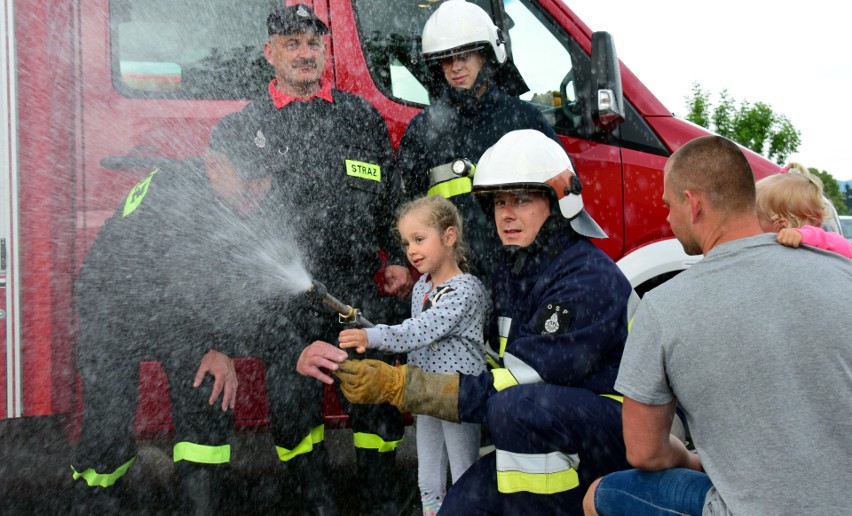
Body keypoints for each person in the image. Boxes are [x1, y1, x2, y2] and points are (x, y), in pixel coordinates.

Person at [334, 129, 634, 514]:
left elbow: (524, 381)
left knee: (517, 406)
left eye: (522, 200)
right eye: (498, 202)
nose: (506, 214)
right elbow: (491, 356)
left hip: (621, 432)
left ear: (561, 201)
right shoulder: (517, 270)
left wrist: (403, 387)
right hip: (552, 425)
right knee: (460, 506)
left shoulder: (585, 279)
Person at [583, 136, 852, 516]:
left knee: (598, 495)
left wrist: (694, 462)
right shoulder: (844, 273)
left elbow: (645, 451)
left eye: (668, 205)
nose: (667, 218)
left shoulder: (663, 306)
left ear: (693, 205)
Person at [238, 5, 409, 515]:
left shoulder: (359, 116)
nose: (305, 53)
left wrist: (397, 255)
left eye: (313, 43)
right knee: (293, 408)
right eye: (292, 44)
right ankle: (314, 503)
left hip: (355, 286)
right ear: (270, 54)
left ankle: (382, 499)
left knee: (375, 403)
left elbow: (389, 195)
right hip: (282, 298)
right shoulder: (247, 126)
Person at [71, 111, 280, 515]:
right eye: (247, 177)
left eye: (265, 176)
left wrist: (218, 347)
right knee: (109, 421)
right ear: (213, 165)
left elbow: (232, 282)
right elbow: (189, 292)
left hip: (175, 311)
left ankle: (200, 502)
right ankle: (94, 501)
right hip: (113, 308)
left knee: (208, 392)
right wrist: (215, 347)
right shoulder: (180, 200)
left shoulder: (241, 196)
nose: (257, 189)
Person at [338, 195, 490, 516]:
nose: (411, 251)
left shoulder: (465, 290)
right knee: (428, 478)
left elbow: (418, 330)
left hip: (457, 396)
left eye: (419, 239)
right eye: (406, 242)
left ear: (449, 237)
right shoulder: (421, 286)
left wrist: (372, 335)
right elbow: (418, 341)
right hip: (425, 395)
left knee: (464, 474)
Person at [395, 0, 561, 284]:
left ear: (485, 55)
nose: (456, 67)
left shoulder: (524, 119)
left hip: (522, 275)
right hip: (454, 281)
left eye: (465, 55)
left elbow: (560, 197)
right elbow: (405, 206)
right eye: (447, 58)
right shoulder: (422, 131)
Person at [755, 162, 852, 258]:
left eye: (757, 221)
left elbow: (838, 243)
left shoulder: (827, 241)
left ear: (782, 225)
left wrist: (801, 235)